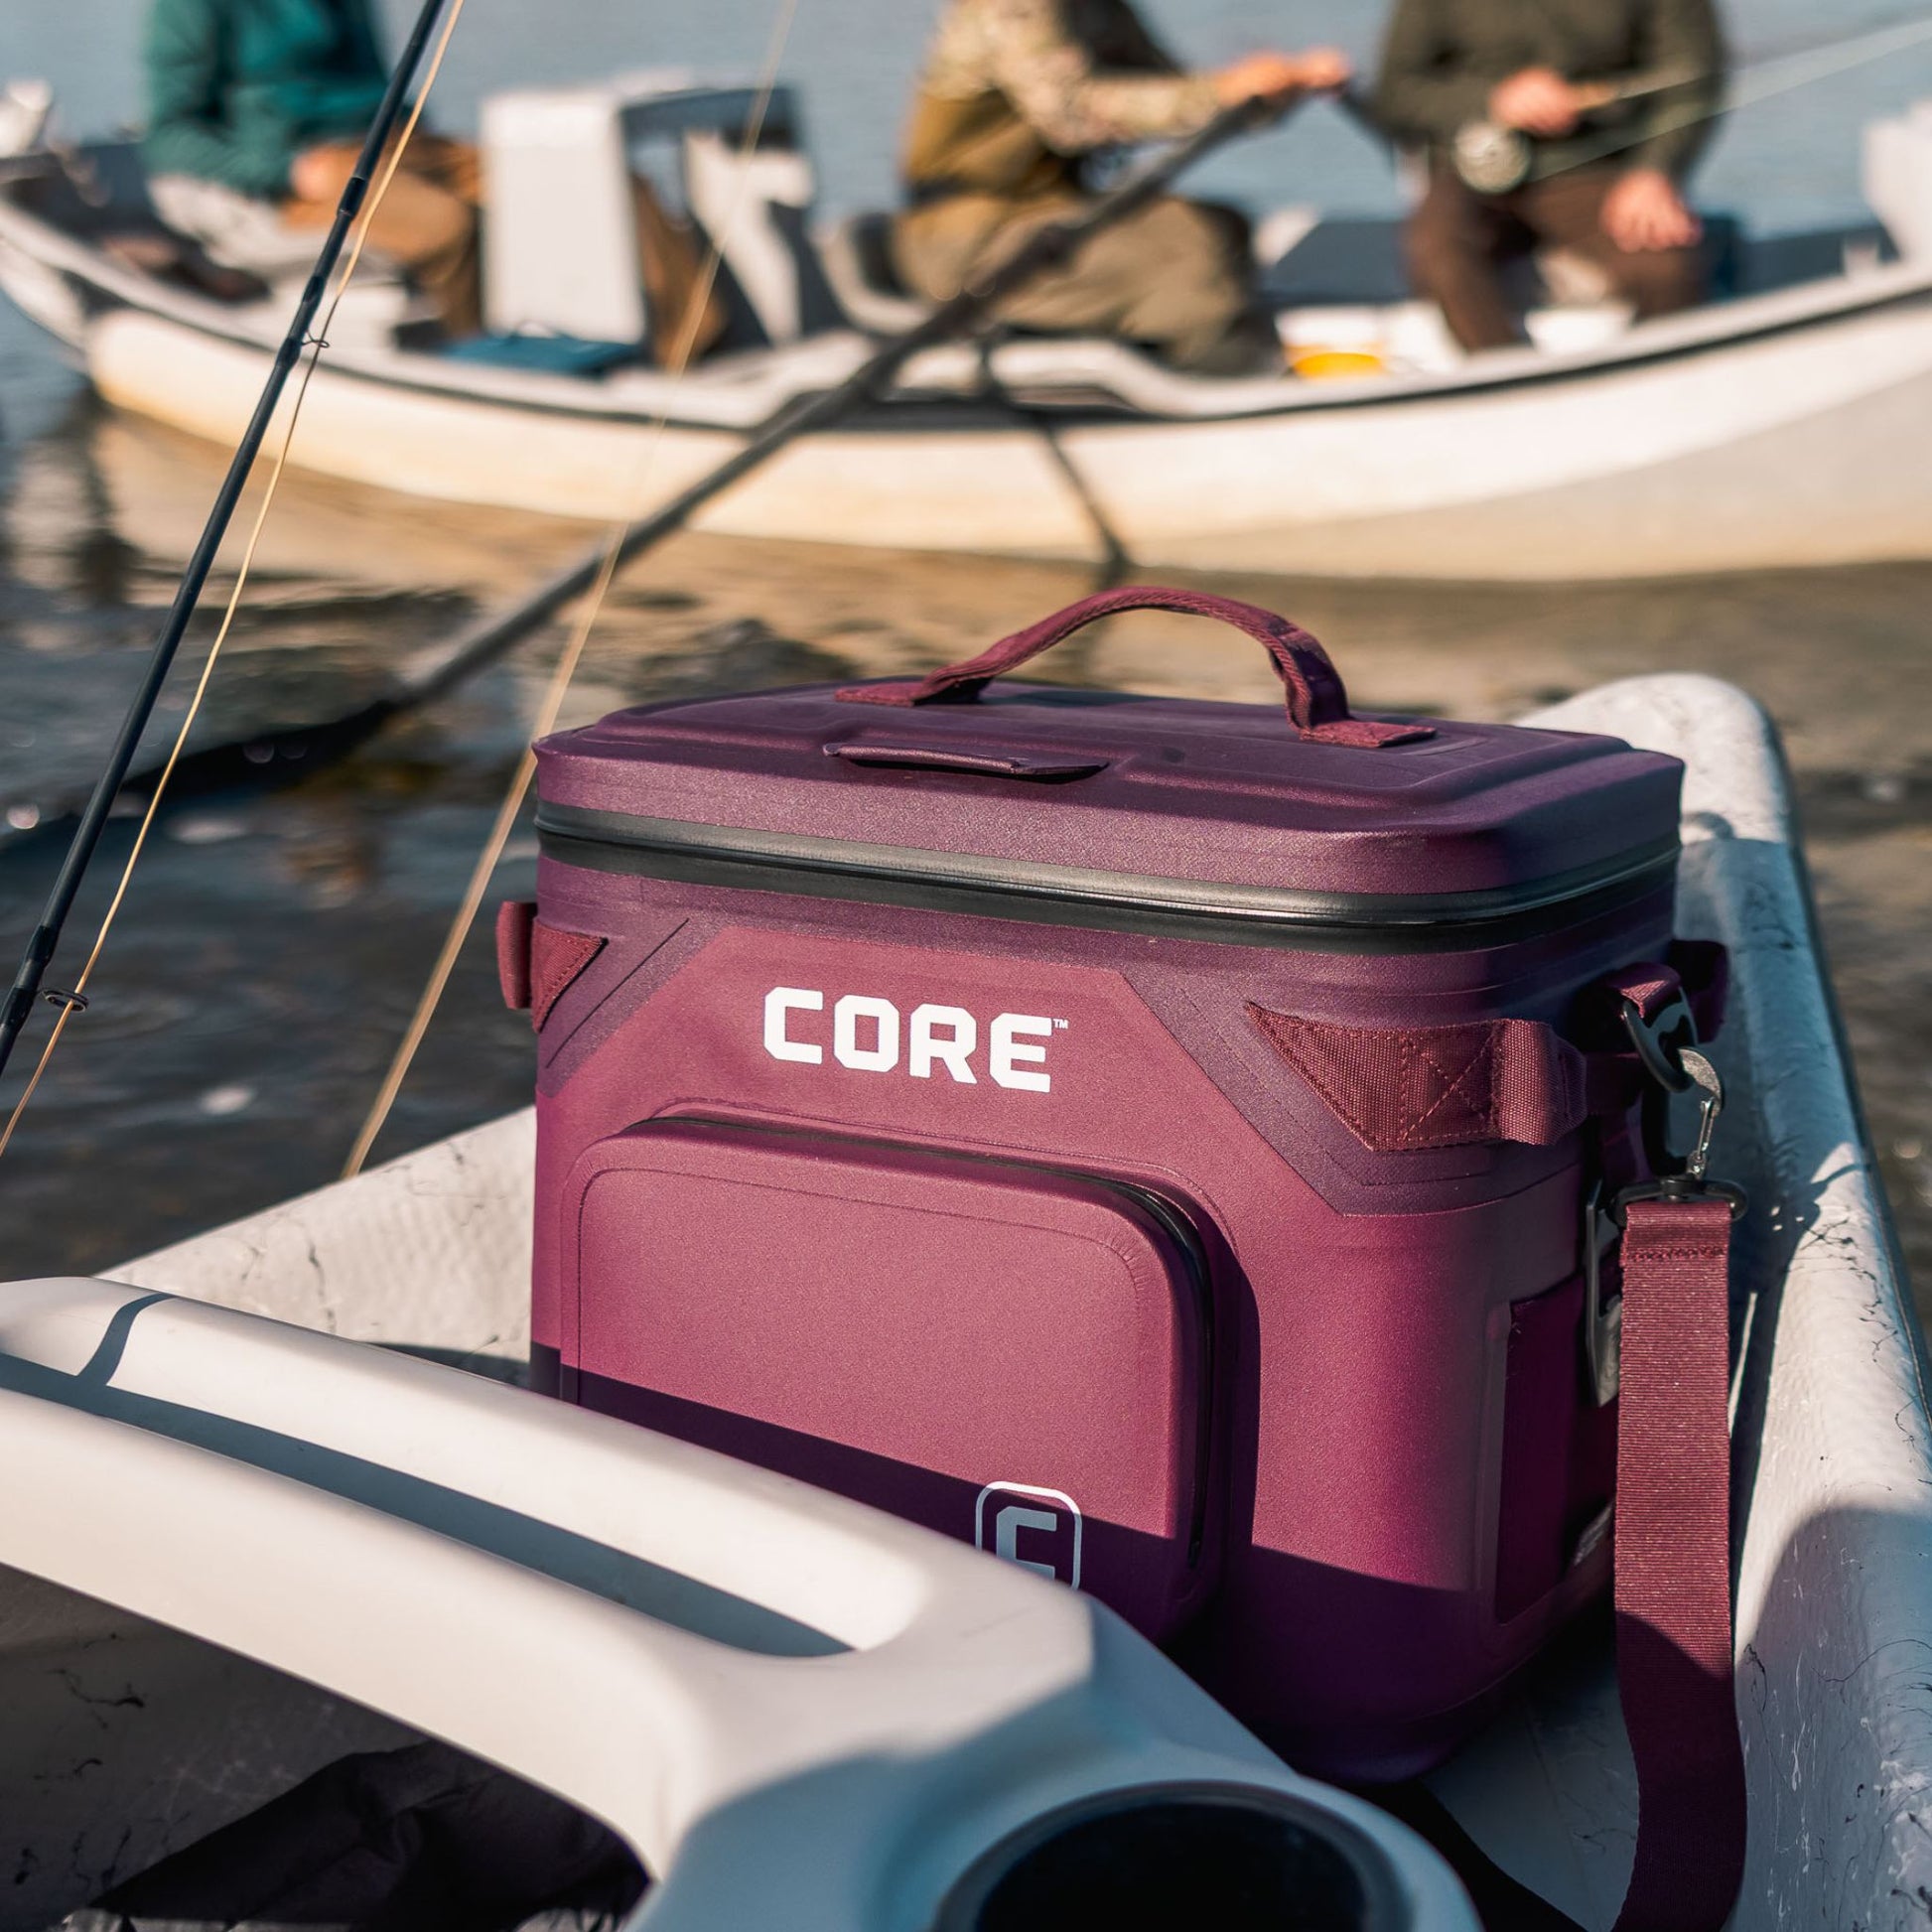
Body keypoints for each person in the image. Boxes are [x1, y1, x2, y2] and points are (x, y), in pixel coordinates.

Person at [143, 0, 723, 359]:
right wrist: (284, 170)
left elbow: (376, 82)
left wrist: (422, 140)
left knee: (594, 175)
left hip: (401, 140)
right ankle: (487, 367)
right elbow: (167, 135)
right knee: (444, 225)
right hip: (307, 168)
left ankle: (693, 348)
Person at [893, 0, 1351, 377]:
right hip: (969, 241)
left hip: (1044, 221)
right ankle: (1237, 400)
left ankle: (1231, 371)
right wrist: (1223, 91)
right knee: (1187, 257)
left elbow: (1164, 90)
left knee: (1222, 226)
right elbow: (1071, 115)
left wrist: (1275, 88)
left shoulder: (1099, 8)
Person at [1375, 0, 1726, 352]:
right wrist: (1492, 99)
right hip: (1468, 172)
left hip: (1596, 168)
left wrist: (1655, 171)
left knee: (1665, 268)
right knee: (1438, 250)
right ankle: (1509, 373)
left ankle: (1640, 375)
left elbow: (1693, 76)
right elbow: (1396, 93)